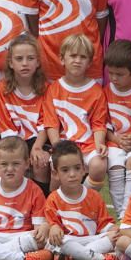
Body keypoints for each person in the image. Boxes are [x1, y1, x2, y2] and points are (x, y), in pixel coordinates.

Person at [42, 34, 109, 194]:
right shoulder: (54, 89)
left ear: (89, 62)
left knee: (99, 165)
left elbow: (98, 123)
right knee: (58, 175)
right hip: (63, 145)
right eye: (73, 56)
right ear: (62, 59)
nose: (77, 60)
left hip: (88, 146)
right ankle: (53, 208)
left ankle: (82, 197)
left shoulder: (96, 91)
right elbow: (51, 122)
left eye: (82, 57)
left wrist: (100, 143)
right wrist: (57, 146)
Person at [44, 139, 119, 260]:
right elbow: (52, 226)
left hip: (90, 240)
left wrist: (115, 229)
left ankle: (74, 257)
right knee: (58, 243)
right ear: (56, 174)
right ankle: (101, 259)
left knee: (115, 237)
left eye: (77, 168)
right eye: (65, 170)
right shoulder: (53, 198)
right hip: (68, 241)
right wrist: (53, 228)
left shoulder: (94, 196)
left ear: (84, 169)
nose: (72, 174)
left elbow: (104, 224)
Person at [0, 34, 51, 193]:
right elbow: (4, 124)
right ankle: (5, 205)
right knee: (5, 160)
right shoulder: (2, 89)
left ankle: (40, 205)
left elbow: (45, 122)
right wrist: (17, 152)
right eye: (19, 59)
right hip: (11, 139)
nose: (25, 63)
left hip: (38, 139)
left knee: (40, 162)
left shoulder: (46, 88)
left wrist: (37, 147)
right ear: (11, 63)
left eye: (30, 58)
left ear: (38, 62)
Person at [103, 39, 131, 213]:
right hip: (115, 142)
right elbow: (102, 124)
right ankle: (123, 216)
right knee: (115, 168)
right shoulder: (106, 91)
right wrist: (117, 139)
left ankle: (129, 212)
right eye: (110, 73)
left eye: (119, 74)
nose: (113, 78)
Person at [0, 136, 51, 260]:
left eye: (16, 164)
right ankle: (22, 259)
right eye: (4, 164)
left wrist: (43, 229)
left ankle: (3, 255)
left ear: (27, 163)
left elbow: (39, 230)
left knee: (42, 239)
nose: (10, 169)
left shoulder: (34, 190)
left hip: (23, 237)